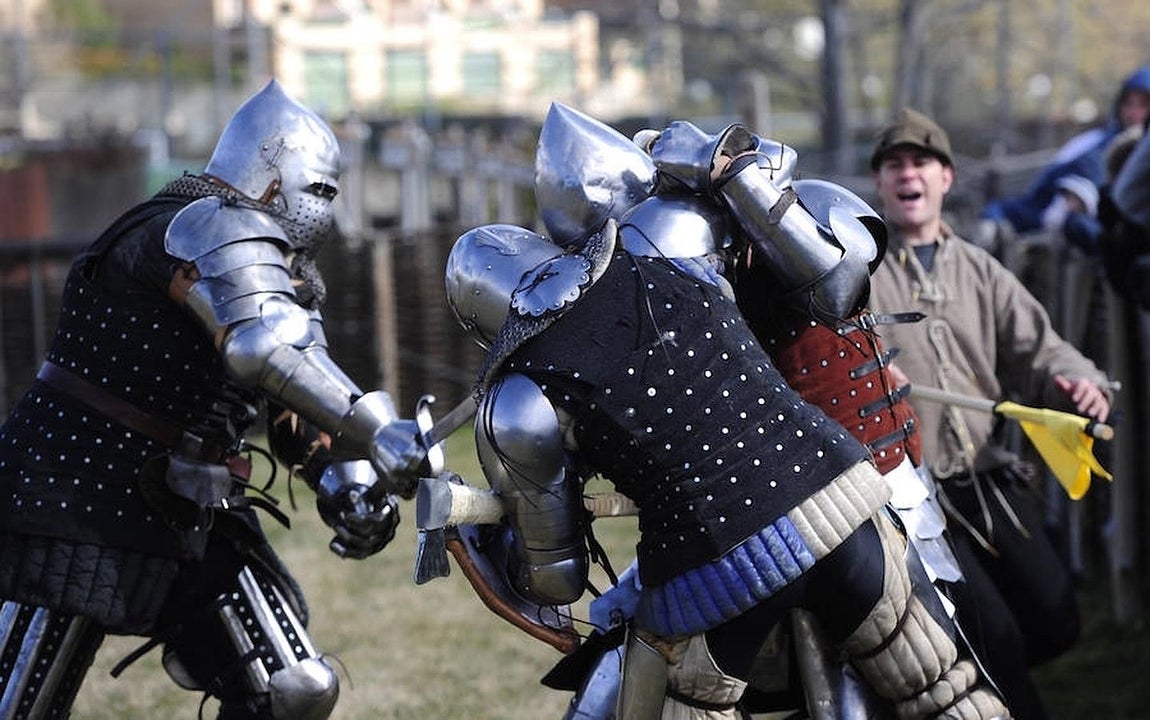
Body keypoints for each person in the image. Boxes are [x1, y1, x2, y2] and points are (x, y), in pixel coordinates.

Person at [442, 107, 1011, 719]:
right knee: (942, 693)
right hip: (844, 499)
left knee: (662, 695)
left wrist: (495, 540)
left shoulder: (518, 397)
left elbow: (557, 580)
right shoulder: (673, 245)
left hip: (718, 567)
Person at [0, 79, 426, 719]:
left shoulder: (279, 269)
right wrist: (375, 430)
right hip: (77, 485)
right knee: (18, 704)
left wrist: (342, 480)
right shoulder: (206, 224)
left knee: (294, 689)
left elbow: (291, 398)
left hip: (183, 498)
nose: (325, 210)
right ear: (272, 181)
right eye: (318, 191)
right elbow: (262, 348)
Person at [867, 108, 1113, 685]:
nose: (909, 174)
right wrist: (875, 377)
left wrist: (1081, 382)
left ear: (945, 178)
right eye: (895, 164)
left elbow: (1043, 349)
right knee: (993, 640)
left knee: (1057, 623)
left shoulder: (981, 270)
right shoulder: (859, 273)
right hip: (910, 499)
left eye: (921, 162)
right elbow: (834, 361)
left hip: (990, 478)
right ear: (880, 182)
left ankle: (964, 684)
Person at [980, 64, 1150, 241]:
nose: (1133, 113)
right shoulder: (1090, 146)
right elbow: (1039, 200)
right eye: (1128, 104)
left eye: (1143, 105)